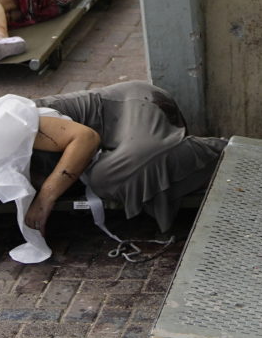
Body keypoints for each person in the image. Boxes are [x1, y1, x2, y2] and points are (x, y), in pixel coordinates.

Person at [31, 81, 227, 232]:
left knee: (106, 178)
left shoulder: (17, 124)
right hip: (109, 144)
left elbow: (85, 139)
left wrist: (45, 198)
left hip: (136, 104)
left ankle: (223, 153)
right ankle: (173, 158)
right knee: (105, 178)